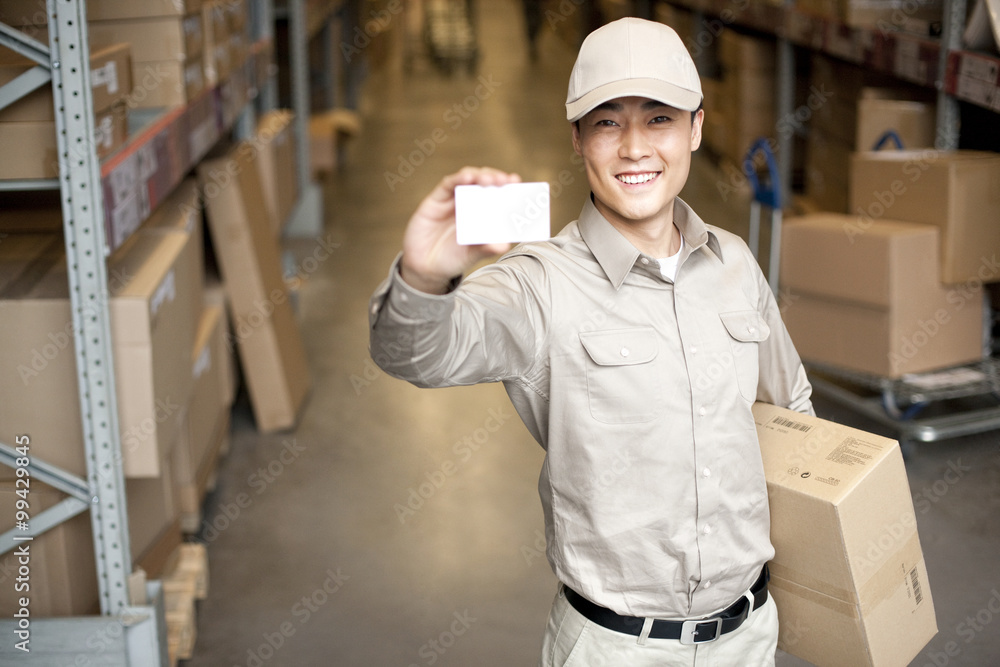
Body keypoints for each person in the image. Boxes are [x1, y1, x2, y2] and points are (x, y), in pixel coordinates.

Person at [369, 17, 813, 666]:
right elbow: (417, 353)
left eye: (658, 118)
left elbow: (791, 411)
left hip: (748, 637)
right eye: (608, 122)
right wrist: (426, 273)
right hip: (615, 649)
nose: (635, 147)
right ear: (577, 139)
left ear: (695, 127)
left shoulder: (735, 265)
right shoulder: (540, 283)